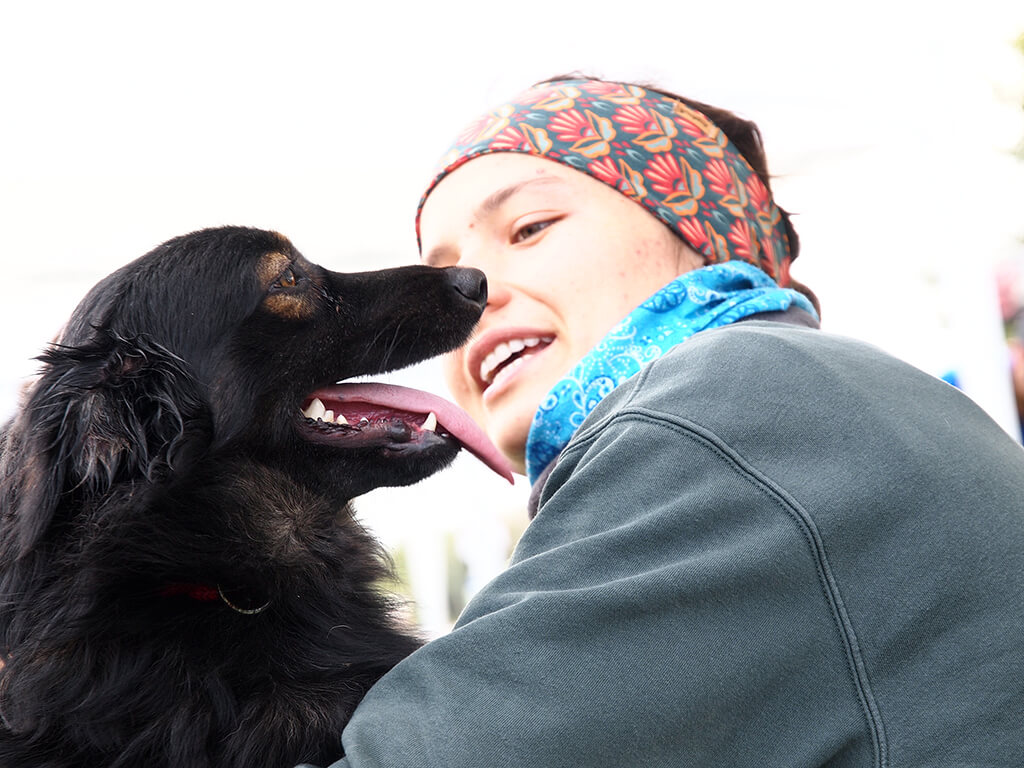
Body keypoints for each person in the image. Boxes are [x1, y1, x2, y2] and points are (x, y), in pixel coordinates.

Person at [304, 77, 1024, 767]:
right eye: (441, 273)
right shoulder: (807, 394)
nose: (469, 293)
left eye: (530, 228)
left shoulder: (724, 404)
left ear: (699, 234)